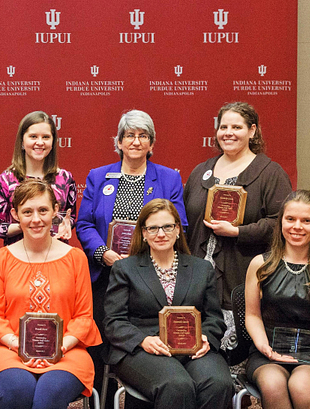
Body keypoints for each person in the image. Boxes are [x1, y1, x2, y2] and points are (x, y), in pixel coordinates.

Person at [76, 109, 187, 406]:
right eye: (129, 135)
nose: (136, 141)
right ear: (119, 141)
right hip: (105, 273)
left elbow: (180, 223)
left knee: (145, 340)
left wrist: (143, 257)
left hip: (150, 276)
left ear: (151, 143)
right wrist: (104, 253)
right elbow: (84, 224)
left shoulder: (168, 178)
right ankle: (101, 401)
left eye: (143, 136)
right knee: (100, 345)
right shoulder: (99, 176)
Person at [0, 179, 102, 409]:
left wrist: (59, 347)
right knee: (19, 390)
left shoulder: (76, 259)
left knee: (49, 393)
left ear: (55, 211)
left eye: (43, 210)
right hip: (9, 351)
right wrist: (19, 345)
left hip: (67, 352)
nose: (36, 219)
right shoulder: (1, 259)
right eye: (27, 211)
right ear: (15, 215)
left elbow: (84, 318)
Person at [104, 198, 233, 409]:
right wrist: (142, 340)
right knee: (176, 385)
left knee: (218, 384)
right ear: (143, 234)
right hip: (142, 349)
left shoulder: (201, 269)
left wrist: (206, 338)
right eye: (153, 228)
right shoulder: (125, 269)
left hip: (193, 348)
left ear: (178, 230)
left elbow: (214, 318)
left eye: (167, 227)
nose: (161, 234)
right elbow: (113, 321)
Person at [184, 102, 291, 349]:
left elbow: (281, 223)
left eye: (237, 127)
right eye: (223, 127)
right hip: (197, 274)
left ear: (252, 131)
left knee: (232, 353)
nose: (228, 132)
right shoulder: (202, 171)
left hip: (240, 272)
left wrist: (238, 232)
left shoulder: (270, 173)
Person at [244, 190, 310, 408]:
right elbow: (252, 315)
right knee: (273, 384)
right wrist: (263, 346)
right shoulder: (260, 264)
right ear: (280, 221)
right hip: (268, 353)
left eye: (306, 220)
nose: (297, 226)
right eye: (290, 219)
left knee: (300, 384)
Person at [0, 111, 76, 246]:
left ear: (53, 142)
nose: (40, 142)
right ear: (22, 141)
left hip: (57, 254)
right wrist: (28, 225)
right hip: (18, 256)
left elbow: (71, 217)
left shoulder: (65, 179)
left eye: (46, 137)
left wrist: (66, 224)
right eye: (33, 136)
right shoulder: (5, 181)